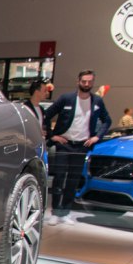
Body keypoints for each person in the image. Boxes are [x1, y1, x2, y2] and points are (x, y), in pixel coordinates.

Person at [43, 70, 112, 226]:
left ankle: (65, 212)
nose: (86, 84)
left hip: (81, 146)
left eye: (89, 82)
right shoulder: (66, 98)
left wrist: (96, 137)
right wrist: (52, 136)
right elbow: (47, 114)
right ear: (78, 82)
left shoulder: (97, 101)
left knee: (73, 181)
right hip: (64, 144)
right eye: (84, 81)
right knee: (59, 178)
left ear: (93, 82)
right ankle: (55, 211)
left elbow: (107, 121)